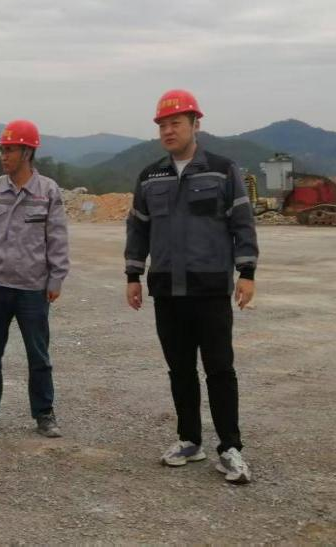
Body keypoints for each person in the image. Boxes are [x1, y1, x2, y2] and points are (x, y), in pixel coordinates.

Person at [123, 89, 259, 484]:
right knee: (180, 369)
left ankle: (230, 447)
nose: (168, 131)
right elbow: (138, 229)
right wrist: (133, 276)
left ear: (195, 124)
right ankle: (189, 440)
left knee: (219, 369)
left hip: (210, 289)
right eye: (162, 125)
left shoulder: (222, 170)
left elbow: (242, 223)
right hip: (167, 291)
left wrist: (247, 271)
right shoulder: (151, 177)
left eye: (176, 123)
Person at [0, 119, 70, 438]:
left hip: (33, 290)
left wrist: (56, 279)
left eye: (9, 150)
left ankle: (44, 413)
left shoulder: (48, 191)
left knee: (39, 355)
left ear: (27, 152)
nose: (3, 156)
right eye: (2, 150)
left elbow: (57, 238)